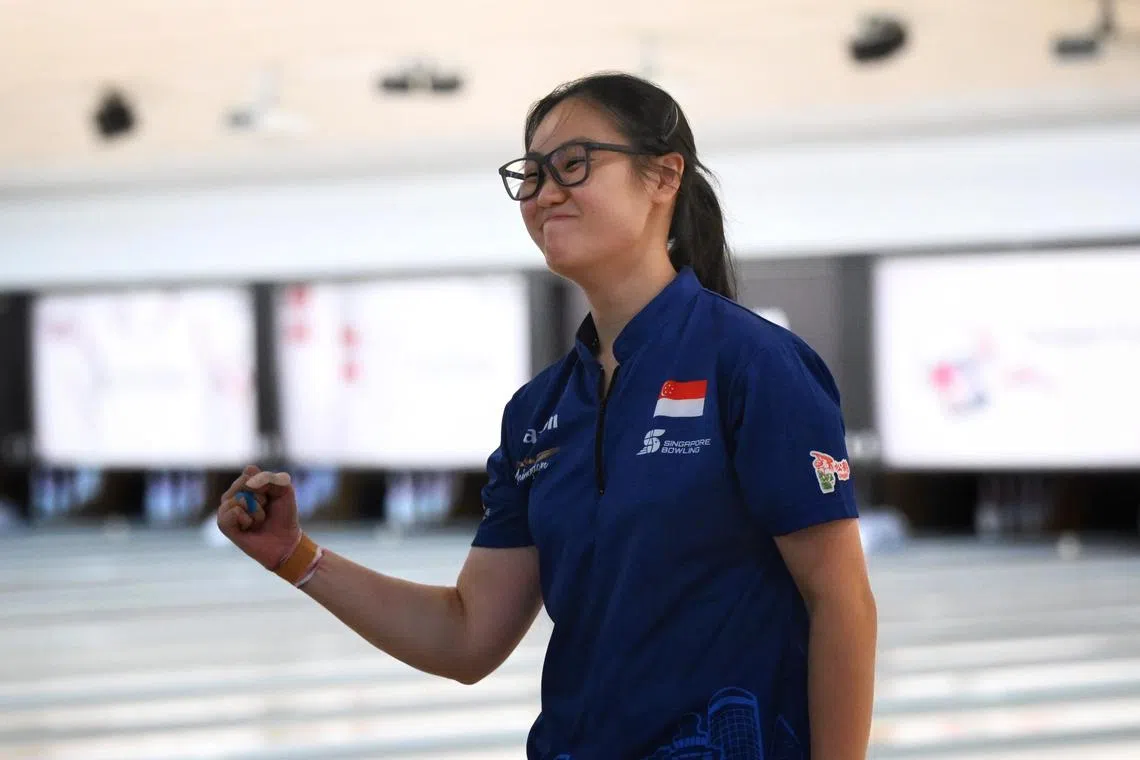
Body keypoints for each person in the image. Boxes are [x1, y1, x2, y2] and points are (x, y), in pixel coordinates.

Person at [217, 71, 878, 760]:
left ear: (663, 176)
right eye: (529, 176)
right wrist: (296, 558)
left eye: (573, 164)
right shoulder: (540, 412)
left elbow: (842, 604)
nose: (544, 192)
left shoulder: (752, 365)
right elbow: (467, 636)